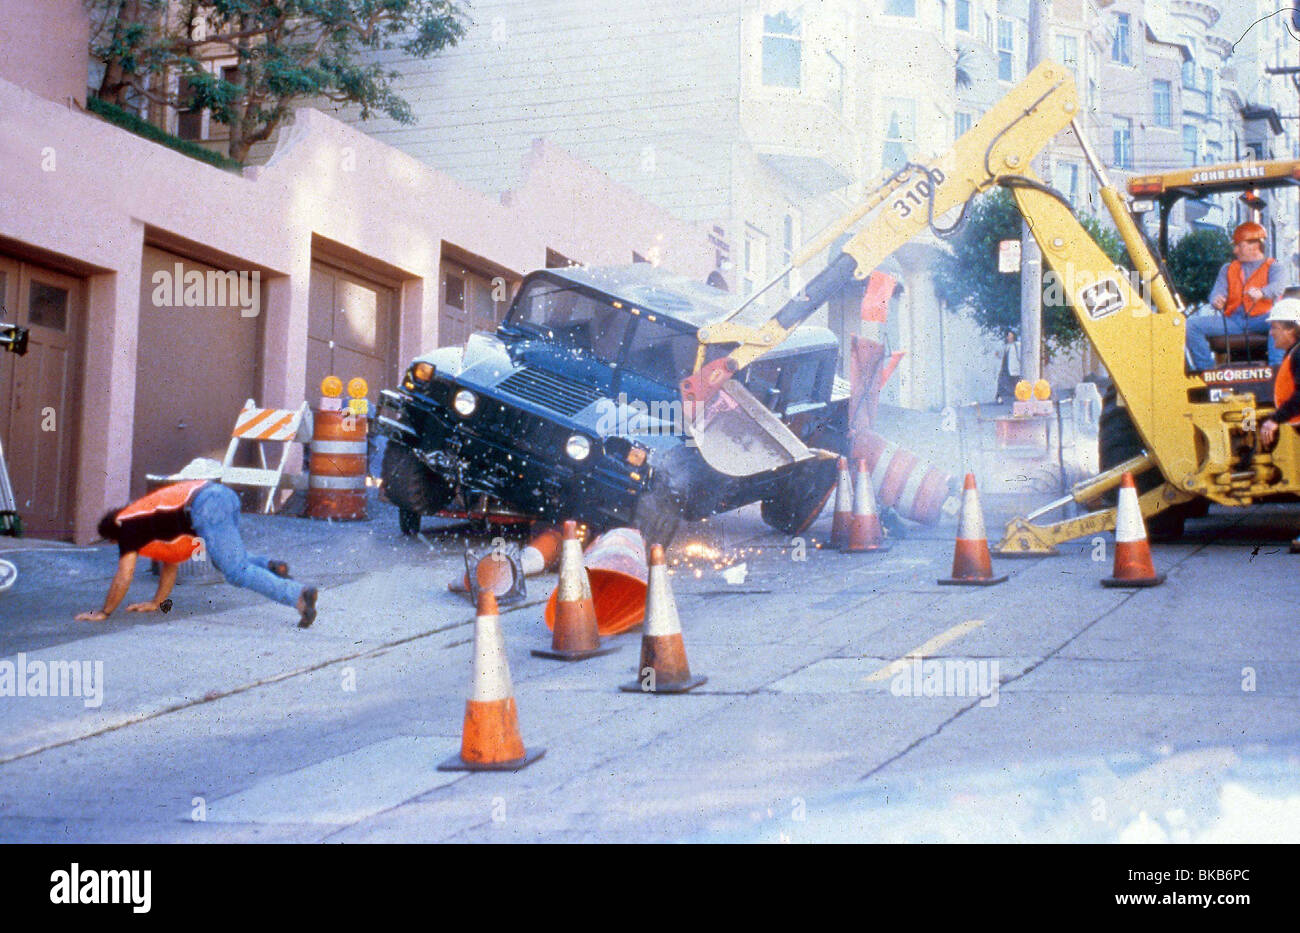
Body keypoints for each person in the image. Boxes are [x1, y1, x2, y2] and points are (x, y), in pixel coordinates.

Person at [75, 479, 318, 627]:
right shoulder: (145, 522)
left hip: (205, 504)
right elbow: (170, 563)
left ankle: (297, 595)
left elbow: (124, 576)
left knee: (236, 572)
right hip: (220, 495)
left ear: (112, 534)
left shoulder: (127, 525)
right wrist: (156, 603)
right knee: (229, 561)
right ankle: (270, 566)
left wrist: (104, 612)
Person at [1184, 221, 1288, 371]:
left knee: (1280, 320)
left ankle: (1276, 370)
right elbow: (1217, 291)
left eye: (1239, 245)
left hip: (1263, 319)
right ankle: (1207, 372)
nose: (1235, 250)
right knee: (1191, 325)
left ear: (1255, 245)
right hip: (1233, 321)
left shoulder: (1274, 267)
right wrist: (1216, 299)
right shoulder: (1227, 269)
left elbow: (1278, 287)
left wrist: (1262, 292)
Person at [1256, 298, 1300, 449]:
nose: (1271, 332)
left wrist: (1275, 420)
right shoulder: (1293, 353)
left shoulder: (1298, 354)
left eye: (1275, 327)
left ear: (1291, 329)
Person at [994, 330, 1020, 404]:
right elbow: (1001, 355)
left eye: (1010, 336)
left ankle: (1019, 398)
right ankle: (999, 397)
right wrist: (997, 354)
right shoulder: (1005, 346)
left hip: (1014, 368)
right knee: (1001, 383)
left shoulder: (1017, 344)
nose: (1009, 337)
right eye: (1008, 336)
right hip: (1005, 368)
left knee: (1016, 384)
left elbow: (1020, 356)